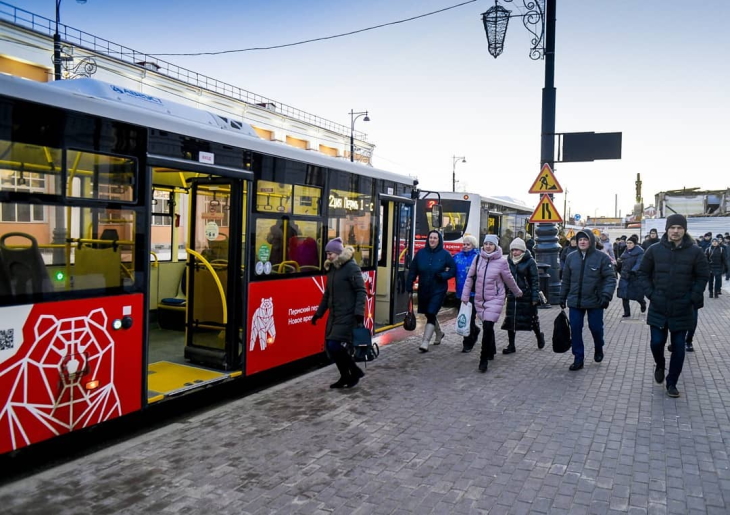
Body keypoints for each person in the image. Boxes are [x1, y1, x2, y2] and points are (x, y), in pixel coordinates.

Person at [638, 214, 709, 398]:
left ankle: (672, 382)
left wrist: (692, 297)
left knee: (678, 347)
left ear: (684, 230)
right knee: (656, 342)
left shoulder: (695, 252)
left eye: (679, 227)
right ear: (667, 229)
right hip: (659, 306)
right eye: (672, 227)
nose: (675, 231)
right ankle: (660, 364)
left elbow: (703, 276)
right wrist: (651, 294)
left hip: (682, 307)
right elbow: (643, 274)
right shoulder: (654, 250)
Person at [461, 234, 522, 373]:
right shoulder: (477, 259)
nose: (488, 246)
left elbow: (509, 279)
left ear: (496, 246)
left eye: (491, 244)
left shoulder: (501, 262)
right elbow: (470, 278)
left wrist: (517, 292)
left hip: (495, 298)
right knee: (487, 327)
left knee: (488, 326)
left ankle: (483, 360)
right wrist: (465, 296)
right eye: (486, 243)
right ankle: (491, 350)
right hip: (479, 299)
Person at [312, 237, 367, 389]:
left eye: (330, 253)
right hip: (335, 314)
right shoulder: (332, 269)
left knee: (334, 344)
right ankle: (345, 376)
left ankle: (354, 372)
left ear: (338, 253)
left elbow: (361, 291)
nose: (328, 257)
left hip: (348, 314)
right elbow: (327, 294)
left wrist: (359, 313)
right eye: (327, 254)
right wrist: (319, 313)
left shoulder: (351, 267)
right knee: (331, 347)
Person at [559, 229, 616, 371]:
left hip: (595, 301)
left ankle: (599, 347)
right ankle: (578, 358)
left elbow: (610, 278)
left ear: (591, 242)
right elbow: (565, 279)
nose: (582, 242)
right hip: (575, 301)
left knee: (596, 328)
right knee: (576, 329)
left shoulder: (601, 257)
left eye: (585, 239)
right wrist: (562, 296)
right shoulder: (571, 257)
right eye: (580, 240)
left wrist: (606, 295)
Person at [406, 230, 456, 353]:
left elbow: (453, 269)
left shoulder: (445, 254)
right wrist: (409, 285)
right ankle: (439, 333)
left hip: (438, 288)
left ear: (439, 240)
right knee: (428, 313)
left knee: (432, 312)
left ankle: (425, 342)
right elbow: (413, 270)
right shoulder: (421, 253)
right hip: (424, 288)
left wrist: (443, 276)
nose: (432, 240)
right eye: (431, 238)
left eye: (435, 238)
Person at [500, 238, 545, 354]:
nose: (514, 252)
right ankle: (511, 345)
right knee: (511, 320)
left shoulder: (530, 262)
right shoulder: (508, 261)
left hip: (526, 295)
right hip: (512, 295)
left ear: (522, 250)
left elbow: (535, 280)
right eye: (513, 250)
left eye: (517, 250)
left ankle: (539, 335)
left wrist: (535, 297)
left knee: (532, 319)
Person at [453, 235, 480, 352]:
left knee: (469, 318)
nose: (465, 246)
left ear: (473, 246)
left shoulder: (478, 257)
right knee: (462, 316)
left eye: (468, 244)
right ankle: (475, 331)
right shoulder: (457, 257)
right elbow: (449, 268)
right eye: (464, 244)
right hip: (460, 293)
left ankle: (467, 343)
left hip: (473, 294)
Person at [616, 235, 646, 317]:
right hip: (624, 276)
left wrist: (634, 270)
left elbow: (639, 263)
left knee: (637, 295)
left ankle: (642, 303)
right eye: (627, 243)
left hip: (634, 276)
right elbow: (621, 260)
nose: (628, 245)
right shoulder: (625, 252)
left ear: (635, 244)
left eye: (630, 243)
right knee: (623, 294)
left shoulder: (640, 252)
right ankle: (627, 312)